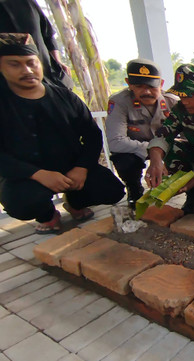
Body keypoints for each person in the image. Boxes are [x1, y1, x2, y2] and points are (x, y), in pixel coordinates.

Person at [0, 33, 124, 234]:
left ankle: (75, 203)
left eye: (31, 63)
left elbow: (92, 135)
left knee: (112, 190)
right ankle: (47, 215)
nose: (27, 70)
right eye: (15, 64)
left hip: (72, 169)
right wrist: (37, 174)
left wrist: (81, 168)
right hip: (26, 176)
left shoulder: (65, 97)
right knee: (21, 203)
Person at [145, 64, 194, 214]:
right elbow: (163, 135)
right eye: (181, 96)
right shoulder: (180, 109)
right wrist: (155, 162)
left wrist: (189, 183)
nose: (185, 101)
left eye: (189, 96)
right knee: (172, 149)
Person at [105, 58, 178, 208]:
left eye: (151, 87)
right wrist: (153, 151)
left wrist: (160, 152)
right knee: (123, 160)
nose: (146, 92)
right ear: (129, 84)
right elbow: (116, 141)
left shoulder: (172, 102)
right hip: (136, 150)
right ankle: (134, 190)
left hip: (167, 148)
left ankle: (193, 193)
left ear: (161, 84)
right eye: (139, 86)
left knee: (187, 152)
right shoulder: (119, 102)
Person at [0, 0, 72, 89]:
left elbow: (48, 35)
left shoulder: (29, 3)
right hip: (8, 83)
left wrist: (58, 61)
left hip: (46, 72)